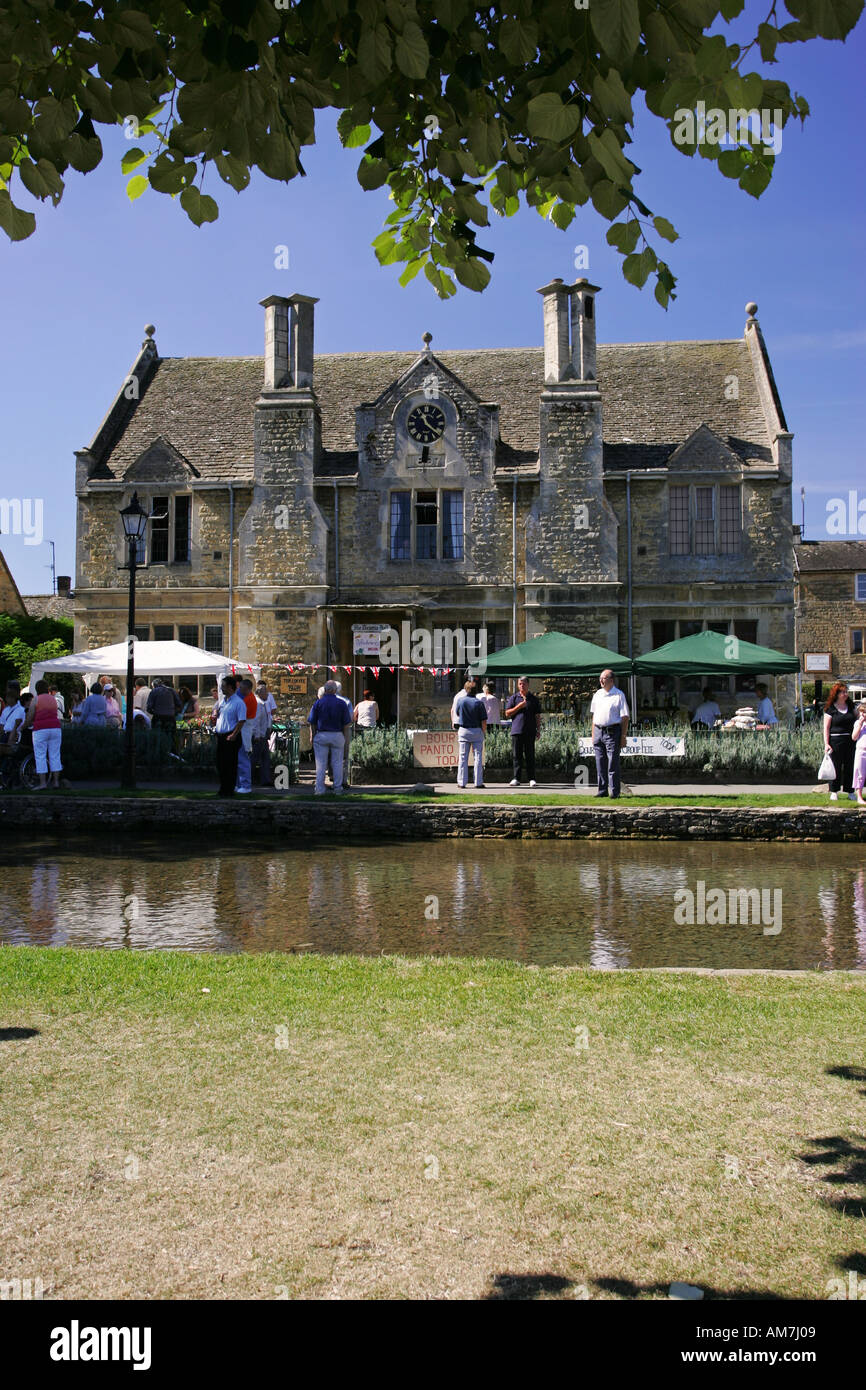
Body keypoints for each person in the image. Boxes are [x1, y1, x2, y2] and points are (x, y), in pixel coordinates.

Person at [590, 668, 630, 800]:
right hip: (598, 731)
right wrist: (593, 735)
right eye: (600, 678)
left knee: (613, 763)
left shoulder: (619, 695)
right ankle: (602, 790)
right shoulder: (597, 694)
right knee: (600, 763)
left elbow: (625, 717)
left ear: (611, 680)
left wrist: (623, 736)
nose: (601, 680)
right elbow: (594, 716)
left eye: (604, 678)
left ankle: (615, 791)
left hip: (612, 732)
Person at [308, 679, 352, 794]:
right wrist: (345, 737)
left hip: (322, 734)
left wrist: (312, 735)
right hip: (337, 734)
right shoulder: (342, 703)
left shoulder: (318, 703)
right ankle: (337, 788)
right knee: (337, 763)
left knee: (321, 764)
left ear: (325, 690)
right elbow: (346, 723)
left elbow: (312, 721)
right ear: (335, 690)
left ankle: (319, 789)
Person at [210, 675, 247, 797]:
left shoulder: (238, 703)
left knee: (230, 764)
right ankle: (223, 788)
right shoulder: (223, 702)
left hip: (231, 736)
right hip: (221, 736)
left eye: (224, 687)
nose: (221, 689)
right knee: (221, 764)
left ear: (231, 688)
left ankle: (229, 790)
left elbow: (241, 721)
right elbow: (221, 715)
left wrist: (234, 734)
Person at [24, 679, 63, 789]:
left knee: (40, 755)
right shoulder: (53, 699)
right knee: (55, 755)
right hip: (55, 728)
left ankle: (43, 783)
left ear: (37, 689)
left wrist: (22, 726)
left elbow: (30, 716)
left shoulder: (36, 700)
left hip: (41, 729)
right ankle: (56, 782)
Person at [505, 676, 541, 787]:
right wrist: (519, 706)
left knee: (530, 755)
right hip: (517, 731)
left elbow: (537, 716)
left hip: (530, 731)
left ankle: (532, 779)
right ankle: (516, 778)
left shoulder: (533, 699)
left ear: (528, 684)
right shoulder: (514, 698)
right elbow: (507, 713)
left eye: (524, 684)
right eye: (520, 684)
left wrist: (538, 730)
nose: (522, 686)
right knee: (517, 756)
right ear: (517, 685)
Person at [823, 681, 856, 802]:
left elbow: (858, 719)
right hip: (835, 740)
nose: (845, 694)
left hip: (850, 740)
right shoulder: (830, 709)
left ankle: (850, 791)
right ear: (836, 694)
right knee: (835, 766)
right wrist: (826, 743)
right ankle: (834, 791)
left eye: (846, 692)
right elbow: (826, 728)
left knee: (850, 766)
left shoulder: (851, 707)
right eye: (843, 692)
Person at [453, 679, 487, 789]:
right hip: (476, 730)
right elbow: (483, 721)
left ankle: (461, 782)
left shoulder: (461, 701)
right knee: (478, 757)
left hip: (463, 730)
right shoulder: (479, 703)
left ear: (466, 689)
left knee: (463, 757)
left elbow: (457, 713)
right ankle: (478, 782)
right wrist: (483, 732)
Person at [235, 677, 258, 794]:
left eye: (243, 689)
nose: (241, 691)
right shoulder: (244, 696)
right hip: (241, 730)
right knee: (238, 759)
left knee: (243, 759)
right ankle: (239, 784)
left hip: (244, 730)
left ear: (249, 689)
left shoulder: (249, 699)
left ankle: (245, 784)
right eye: (240, 688)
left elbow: (241, 717)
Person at [249, 686, 273, 787]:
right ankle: (247, 779)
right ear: (259, 693)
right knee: (254, 759)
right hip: (259, 736)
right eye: (265, 692)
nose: (267, 694)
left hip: (264, 735)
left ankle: (266, 780)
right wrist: (257, 735)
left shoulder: (263, 704)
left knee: (265, 758)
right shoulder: (258, 704)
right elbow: (256, 721)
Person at [852, 701, 866, 808]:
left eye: (865, 712)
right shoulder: (858, 723)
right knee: (860, 774)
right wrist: (860, 725)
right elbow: (854, 737)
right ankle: (859, 796)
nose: (863, 714)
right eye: (861, 712)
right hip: (861, 751)